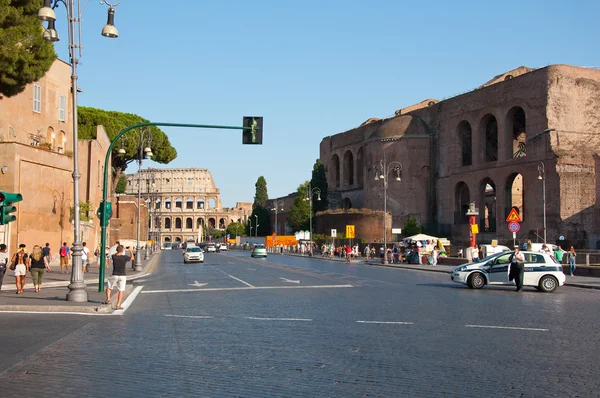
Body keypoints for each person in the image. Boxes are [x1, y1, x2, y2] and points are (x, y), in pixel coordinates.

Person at [104, 244, 131, 310]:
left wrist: (118, 250)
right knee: (121, 290)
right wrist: (130, 251)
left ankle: (108, 299)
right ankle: (118, 305)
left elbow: (115, 254)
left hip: (115, 274)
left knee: (109, 287)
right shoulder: (124, 257)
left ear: (116, 250)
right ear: (122, 250)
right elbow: (132, 258)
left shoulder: (114, 256)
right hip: (122, 275)